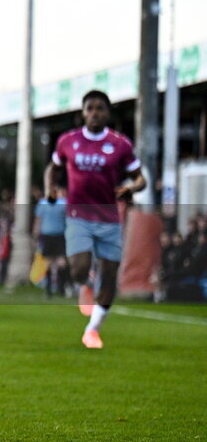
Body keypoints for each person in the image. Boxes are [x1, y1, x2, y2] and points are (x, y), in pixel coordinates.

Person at [45, 90, 146, 349]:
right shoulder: (68, 141)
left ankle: (93, 330)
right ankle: (85, 283)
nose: (94, 113)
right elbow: (53, 169)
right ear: (83, 113)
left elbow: (140, 178)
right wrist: (50, 188)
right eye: (90, 108)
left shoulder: (120, 144)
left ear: (107, 113)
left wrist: (130, 188)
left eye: (100, 108)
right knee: (78, 267)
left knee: (110, 276)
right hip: (78, 215)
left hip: (109, 218)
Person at [33, 185, 70, 297]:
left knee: (49, 262)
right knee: (61, 262)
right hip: (59, 235)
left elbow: (38, 221)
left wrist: (35, 235)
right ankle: (60, 287)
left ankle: (49, 288)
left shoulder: (43, 203)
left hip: (48, 235)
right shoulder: (64, 203)